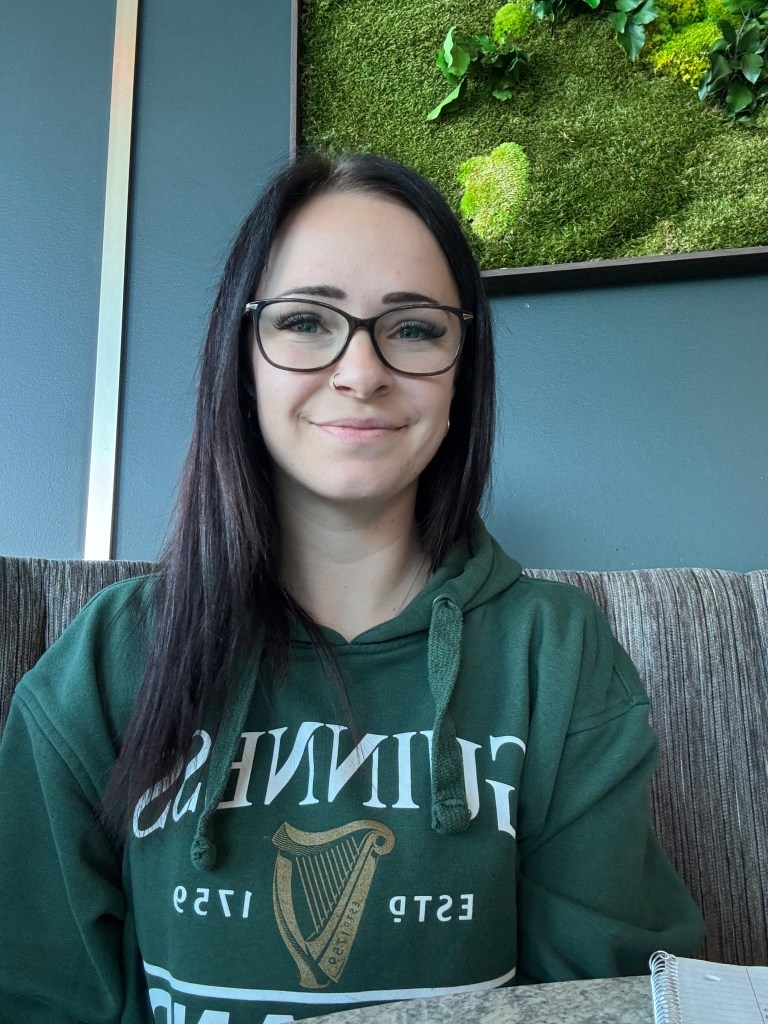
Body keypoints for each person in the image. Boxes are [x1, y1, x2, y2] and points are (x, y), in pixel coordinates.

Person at [0, 153, 704, 1024]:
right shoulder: (107, 659)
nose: (362, 372)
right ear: (242, 357)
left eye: (413, 329)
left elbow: (609, 1001)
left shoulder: (555, 653)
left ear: (462, 370)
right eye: (305, 321)